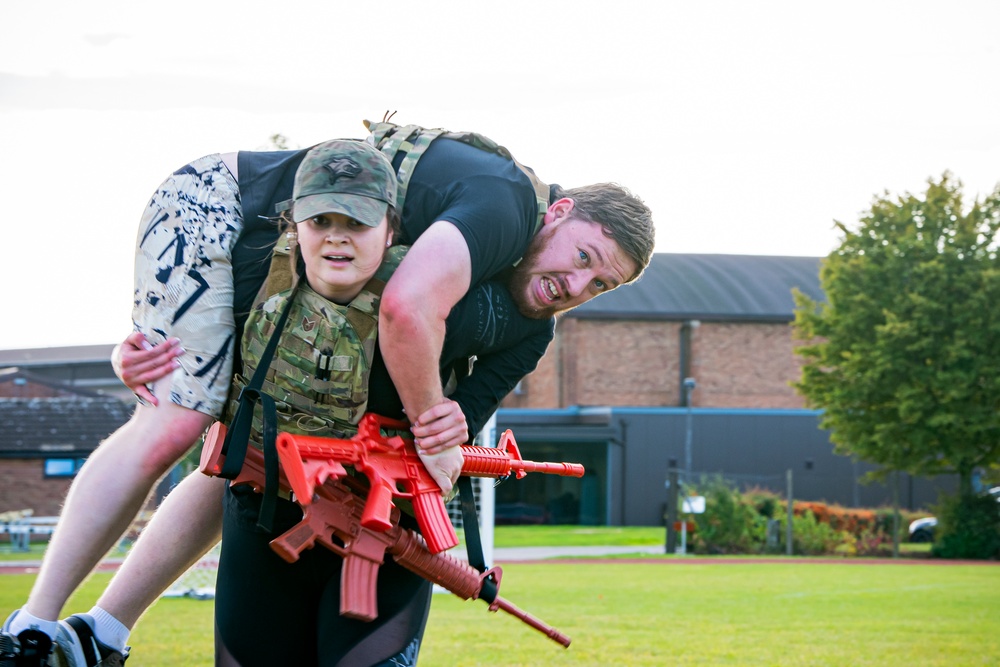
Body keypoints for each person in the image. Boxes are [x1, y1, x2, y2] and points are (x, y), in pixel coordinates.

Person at [2, 120, 655, 666]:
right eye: (585, 257)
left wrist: (443, 435)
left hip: (273, 296)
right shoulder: (506, 201)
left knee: (237, 444)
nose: (578, 283)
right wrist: (431, 411)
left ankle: (102, 633)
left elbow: (420, 396)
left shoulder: (515, 313)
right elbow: (405, 306)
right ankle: (31, 624)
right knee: (179, 421)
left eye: (600, 285)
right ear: (560, 212)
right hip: (220, 202)